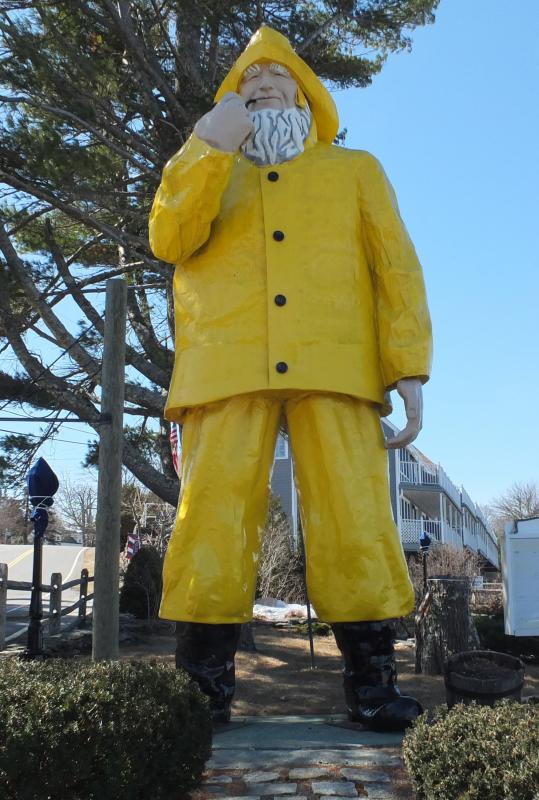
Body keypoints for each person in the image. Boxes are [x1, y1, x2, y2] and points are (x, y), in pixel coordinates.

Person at [149, 26, 432, 730]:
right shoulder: (206, 166)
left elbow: (394, 269)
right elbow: (168, 239)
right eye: (249, 84)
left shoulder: (354, 169)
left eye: (278, 81)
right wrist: (206, 146)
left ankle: (373, 689)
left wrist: (408, 368)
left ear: (309, 98)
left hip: (334, 363)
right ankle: (200, 696)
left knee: (354, 520)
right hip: (225, 365)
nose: (263, 87)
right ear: (229, 104)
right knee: (208, 521)